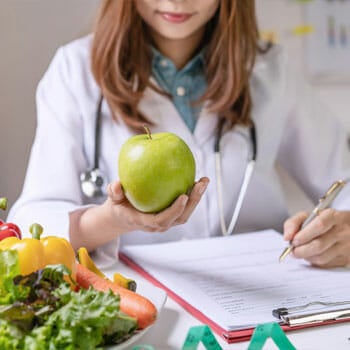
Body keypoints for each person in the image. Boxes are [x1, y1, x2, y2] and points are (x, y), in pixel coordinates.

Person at [8, 0, 350, 268]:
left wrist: (342, 231)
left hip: (263, 295)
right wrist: (112, 219)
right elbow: (32, 222)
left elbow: (343, 179)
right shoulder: (75, 70)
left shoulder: (270, 68)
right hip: (142, 303)